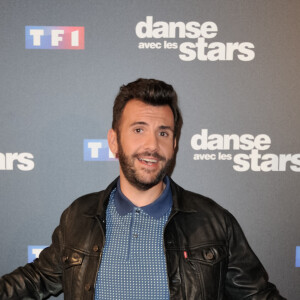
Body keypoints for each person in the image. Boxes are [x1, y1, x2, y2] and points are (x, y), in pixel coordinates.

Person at [0, 78, 285, 300]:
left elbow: (258, 295)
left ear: (174, 144)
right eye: (138, 129)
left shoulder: (213, 221)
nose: (152, 145)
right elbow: (35, 279)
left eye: (163, 132)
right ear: (114, 141)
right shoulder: (79, 216)